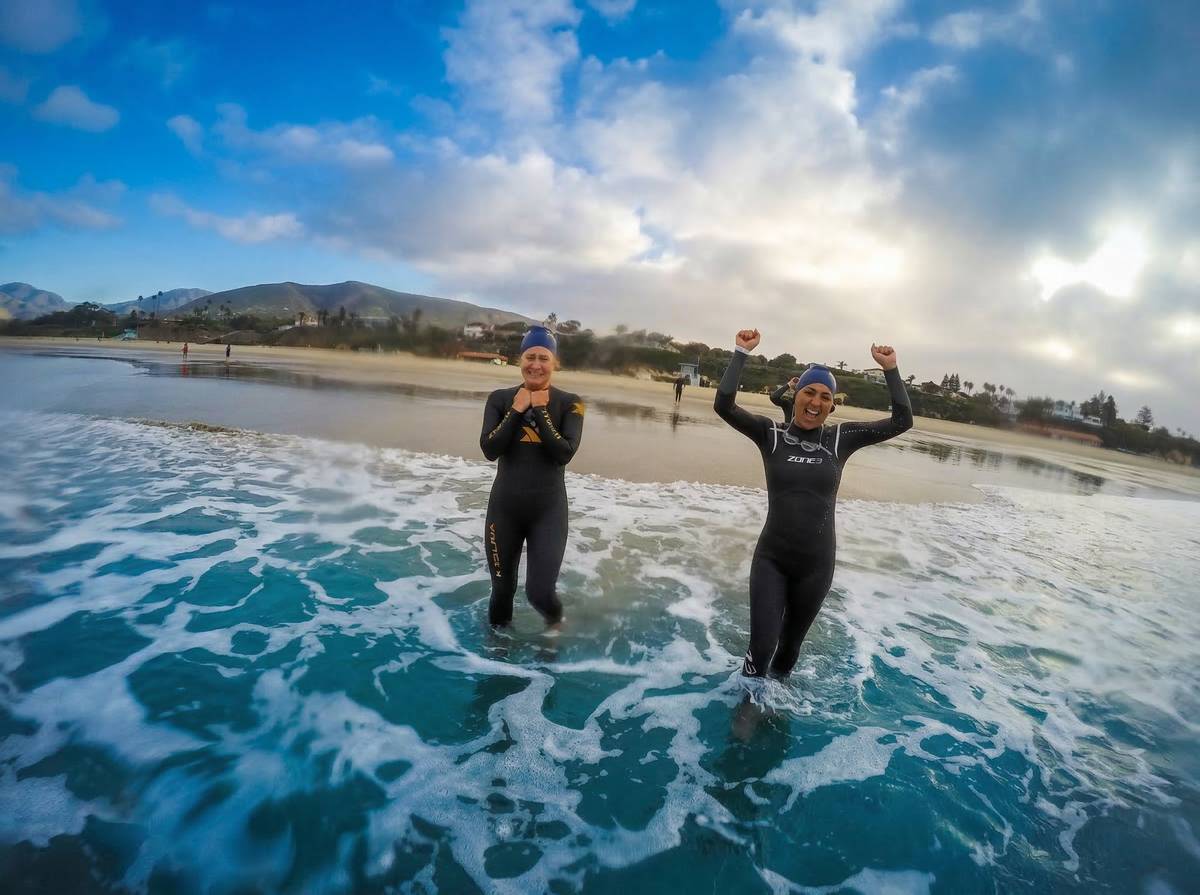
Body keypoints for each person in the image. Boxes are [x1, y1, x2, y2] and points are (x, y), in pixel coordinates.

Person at [715, 328, 912, 678]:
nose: (816, 401)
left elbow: (902, 421)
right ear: (797, 394)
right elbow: (724, 405)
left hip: (816, 566)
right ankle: (746, 710)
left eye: (825, 396)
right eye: (810, 391)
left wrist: (891, 369)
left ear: (832, 404)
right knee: (761, 649)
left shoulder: (841, 439)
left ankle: (774, 709)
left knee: (789, 650)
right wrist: (740, 353)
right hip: (772, 560)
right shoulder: (769, 435)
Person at [479, 326, 585, 627]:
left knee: (539, 593)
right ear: (520, 360)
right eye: (530, 357)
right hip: (504, 510)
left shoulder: (572, 403)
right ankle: (496, 656)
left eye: (543, 358)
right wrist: (516, 410)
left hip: (548, 512)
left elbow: (564, 452)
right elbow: (490, 448)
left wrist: (540, 411)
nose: (536, 364)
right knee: (501, 592)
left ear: (555, 363)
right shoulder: (499, 399)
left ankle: (554, 632)